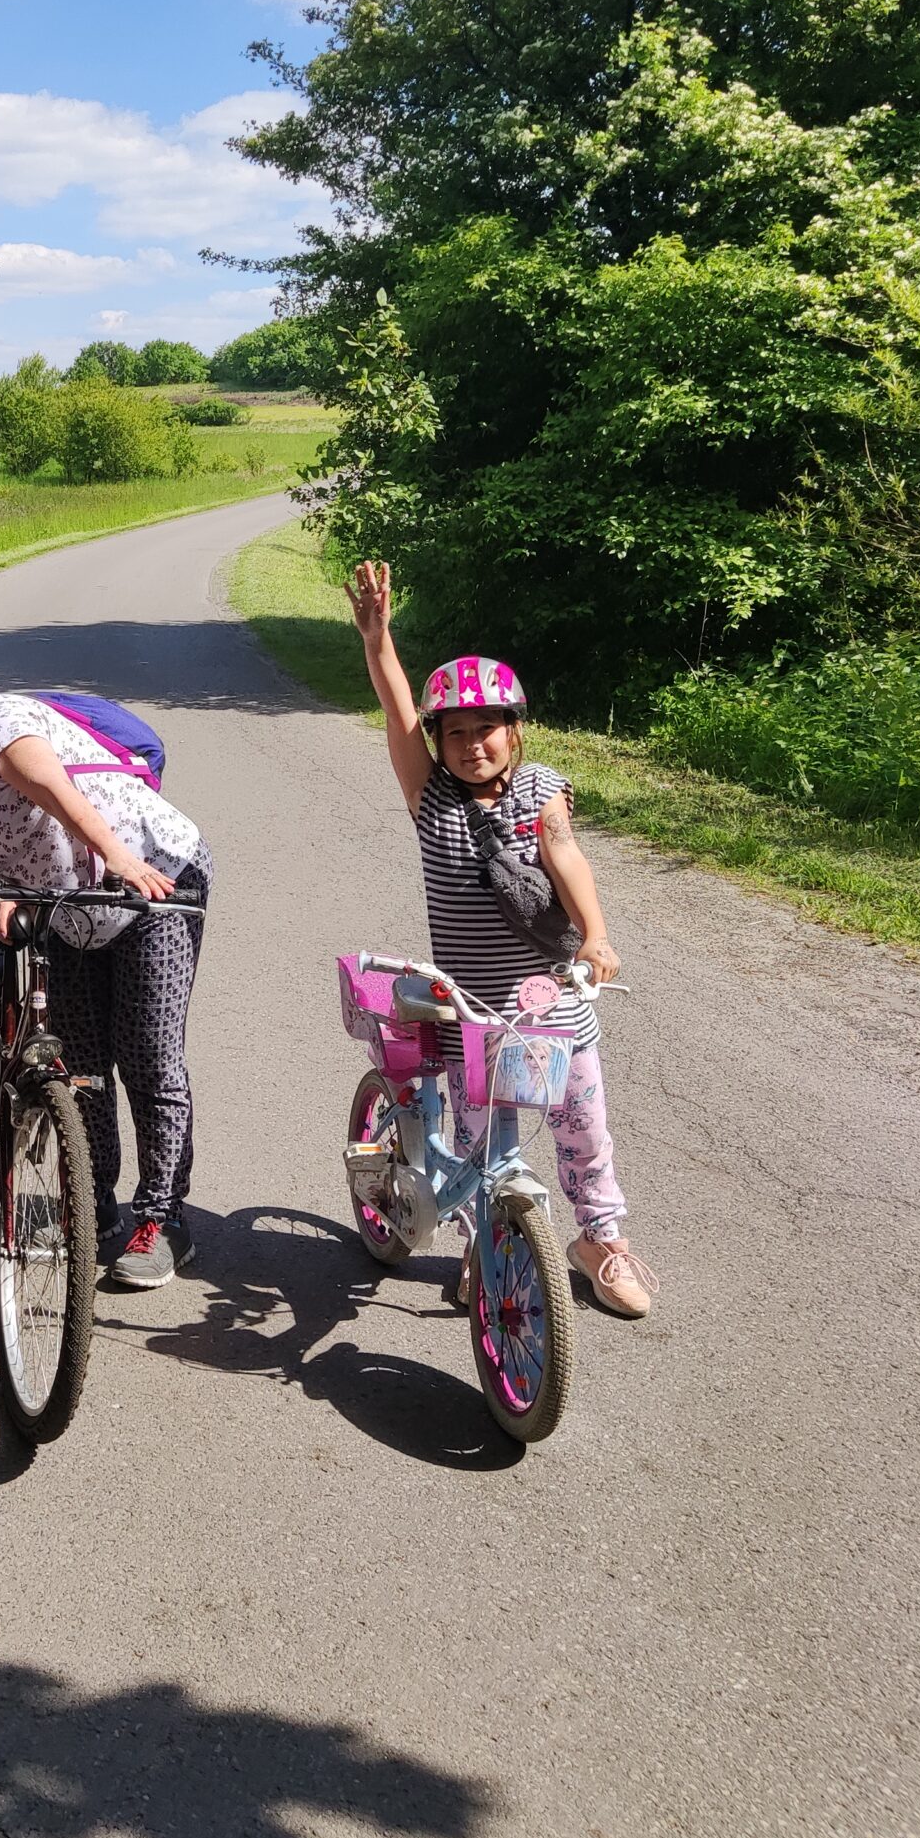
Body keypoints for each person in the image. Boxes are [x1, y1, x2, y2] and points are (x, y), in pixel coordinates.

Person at [345, 559, 656, 1318]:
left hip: (554, 1009)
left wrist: (596, 935)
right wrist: (378, 637)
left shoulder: (539, 789)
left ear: (514, 733)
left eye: (487, 730)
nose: (471, 744)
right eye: (455, 733)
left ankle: (600, 1243)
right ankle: (485, 1244)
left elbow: (563, 851)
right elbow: (394, 712)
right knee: (482, 1148)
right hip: (471, 1016)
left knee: (584, 1134)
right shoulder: (431, 798)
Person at [0, 640, 211, 1290]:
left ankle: (163, 1220)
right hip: (73, 913)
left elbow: (47, 780)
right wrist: (11, 888)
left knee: (147, 1055)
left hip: (152, 878)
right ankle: (95, 1205)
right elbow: (25, 839)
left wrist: (118, 857)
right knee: (80, 1064)